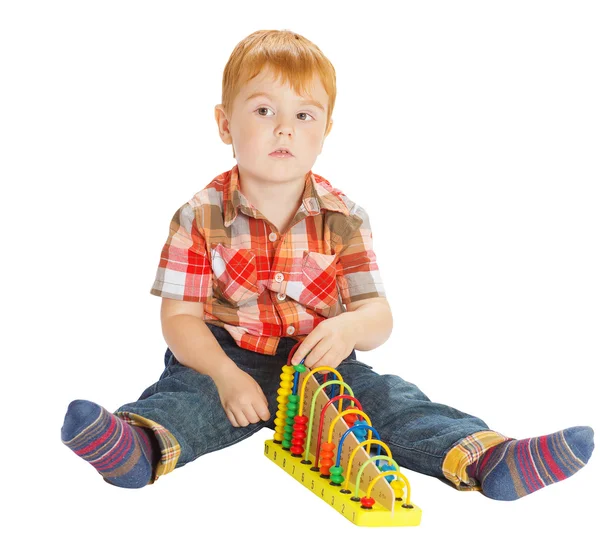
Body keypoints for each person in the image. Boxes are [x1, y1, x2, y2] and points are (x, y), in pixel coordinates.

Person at [61, 29, 593, 500]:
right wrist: (225, 375)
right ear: (225, 124)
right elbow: (179, 320)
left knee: (388, 402)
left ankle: (486, 456)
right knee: (190, 401)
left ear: (326, 130)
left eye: (303, 115)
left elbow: (378, 316)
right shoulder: (200, 215)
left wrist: (351, 327)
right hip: (222, 355)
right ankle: (138, 446)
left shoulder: (344, 218)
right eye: (263, 110)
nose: (284, 129)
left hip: (318, 360)